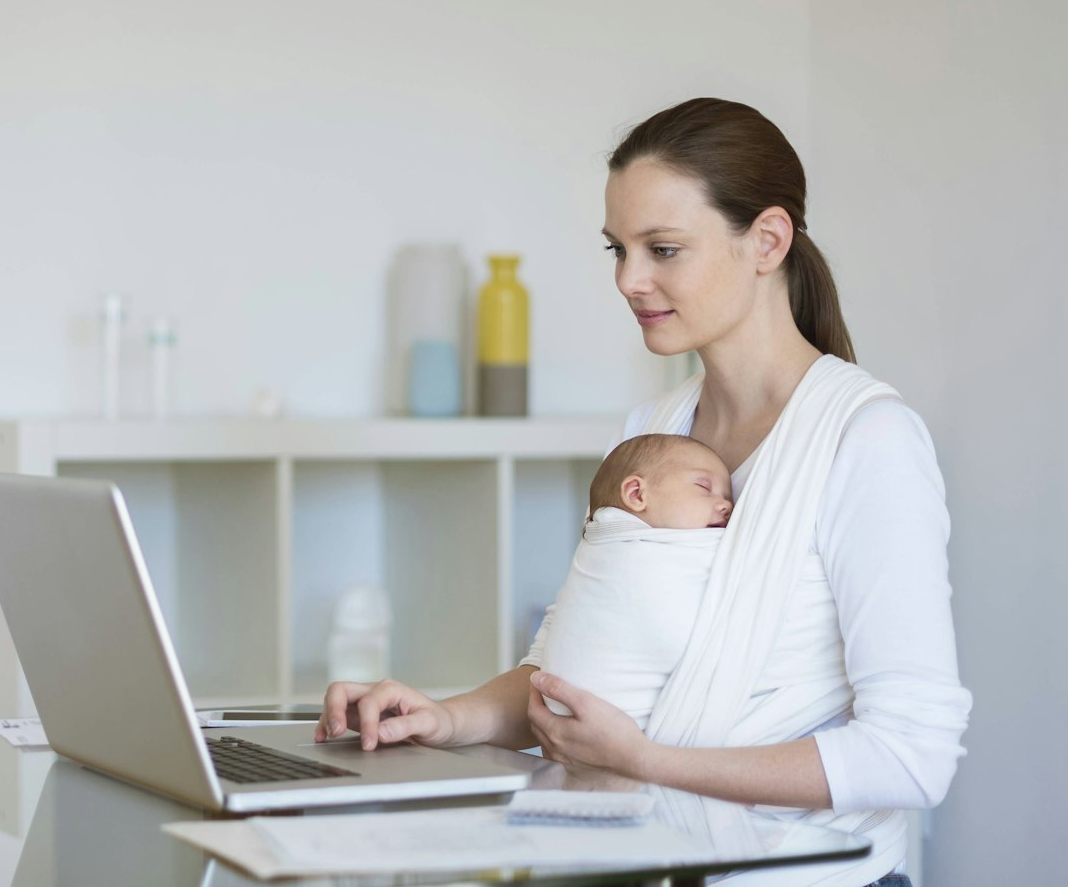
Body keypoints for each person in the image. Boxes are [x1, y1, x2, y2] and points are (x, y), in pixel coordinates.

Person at [313, 98, 971, 887]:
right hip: (645, 863)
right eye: (617, 250)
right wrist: (445, 717)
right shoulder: (653, 431)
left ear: (768, 241)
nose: (629, 280)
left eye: (663, 249)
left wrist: (646, 760)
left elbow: (912, 755)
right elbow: (574, 667)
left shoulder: (868, 440)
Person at [538, 434, 734, 729]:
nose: (726, 505)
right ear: (636, 494)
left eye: (728, 496)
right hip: (616, 720)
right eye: (704, 487)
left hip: (577, 717)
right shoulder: (610, 550)